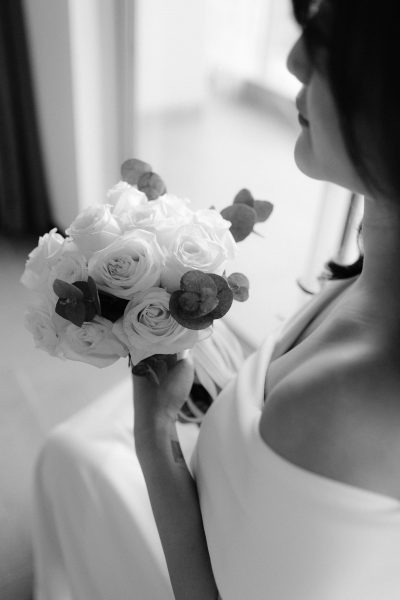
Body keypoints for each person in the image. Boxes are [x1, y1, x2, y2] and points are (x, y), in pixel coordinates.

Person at [32, 0, 400, 598]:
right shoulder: (373, 272)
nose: (295, 58)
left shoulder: (345, 409)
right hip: (231, 490)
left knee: (70, 458)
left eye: (329, 43)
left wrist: (154, 435)